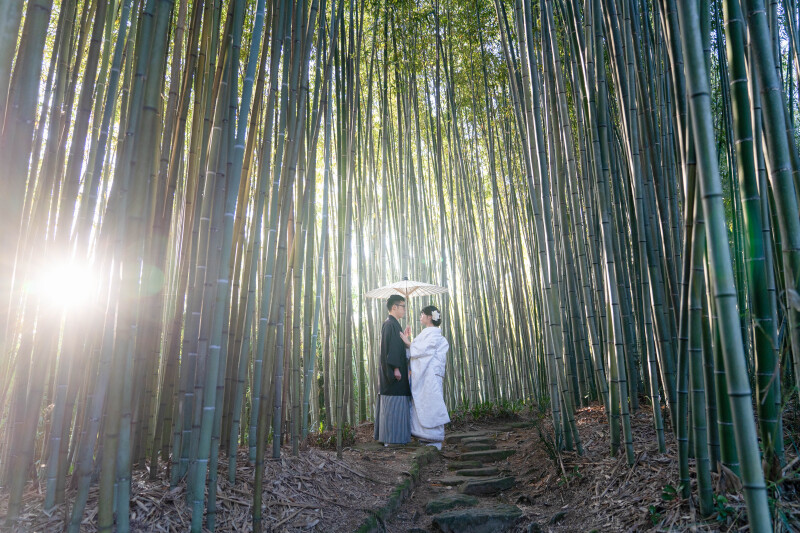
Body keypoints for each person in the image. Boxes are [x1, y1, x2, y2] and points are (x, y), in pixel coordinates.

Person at [400, 305, 450, 450]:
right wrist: (409, 340)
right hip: (425, 375)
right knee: (422, 403)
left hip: (431, 375)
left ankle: (434, 437)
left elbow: (423, 350)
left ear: (429, 317)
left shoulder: (434, 334)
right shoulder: (426, 333)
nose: (420, 316)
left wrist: (407, 341)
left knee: (433, 402)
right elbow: (415, 351)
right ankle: (423, 435)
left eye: (422, 314)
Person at [374, 294, 413, 445]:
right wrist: (396, 368)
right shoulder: (390, 324)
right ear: (394, 307)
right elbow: (391, 349)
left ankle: (393, 437)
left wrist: (406, 336)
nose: (404, 310)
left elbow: (398, 345)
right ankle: (390, 439)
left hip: (395, 372)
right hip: (393, 374)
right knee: (393, 405)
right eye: (403, 306)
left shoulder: (394, 324)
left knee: (395, 404)